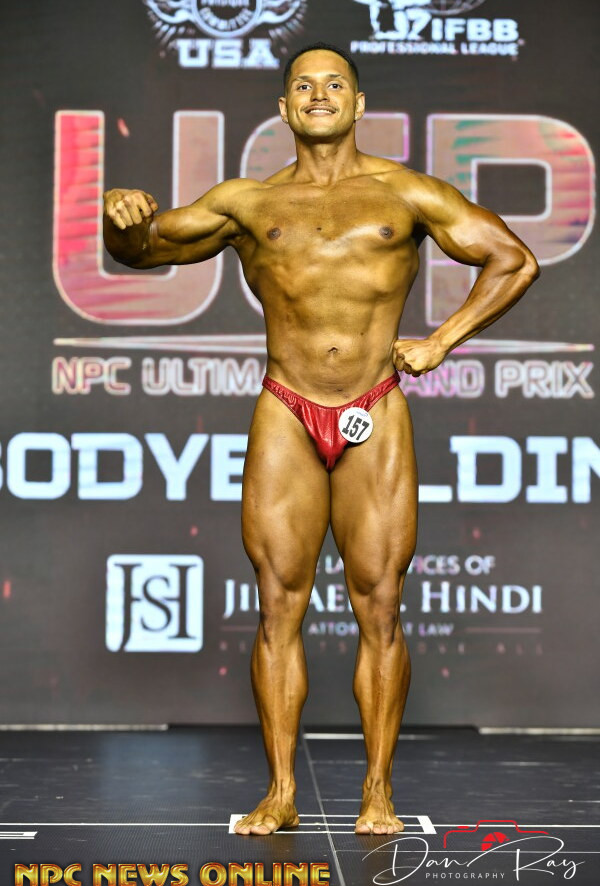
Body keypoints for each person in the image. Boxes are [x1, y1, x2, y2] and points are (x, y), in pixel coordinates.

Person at [103, 42, 539, 836]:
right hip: (287, 408)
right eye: (303, 85)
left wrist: (441, 342)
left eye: (335, 83)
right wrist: (119, 218)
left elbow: (513, 260)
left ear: (359, 103)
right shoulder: (248, 202)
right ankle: (279, 792)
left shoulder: (406, 192)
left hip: (376, 406)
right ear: (284, 108)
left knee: (381, 605)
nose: (319, 94)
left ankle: (378, 791)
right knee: (278, 605)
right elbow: (144, 250)